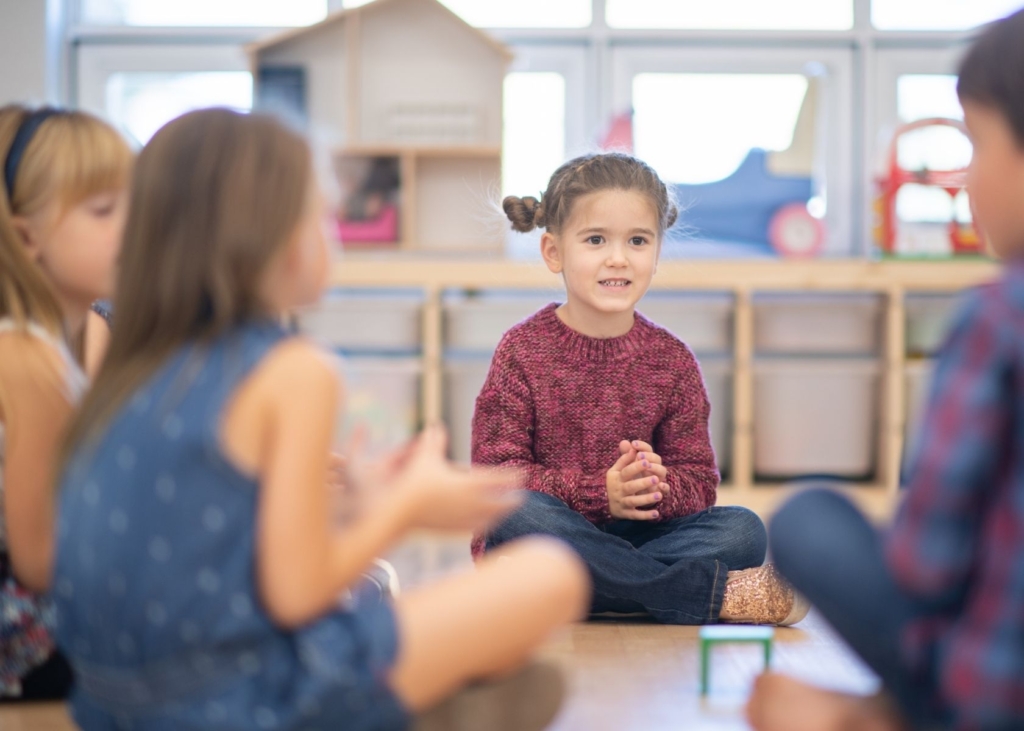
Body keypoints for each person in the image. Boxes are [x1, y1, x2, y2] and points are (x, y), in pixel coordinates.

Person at [51, 108, 588, 731]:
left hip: (108, 705)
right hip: (238, 702)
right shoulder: (294, 369)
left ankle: (435, 704)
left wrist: (354, 504)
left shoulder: (128, 361)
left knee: (405, 608)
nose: (332, 237)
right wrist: (404, 508)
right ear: (270, 239)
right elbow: (296, 591)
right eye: (324, 218)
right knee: (549, 574)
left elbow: (197, 541)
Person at [747, 9, 1024, 730]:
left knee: (807, 518)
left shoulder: (998, 316)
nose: (967, 173)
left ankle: (882, 716)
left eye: (979, 143)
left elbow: (926, 563)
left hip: (989, 694)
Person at [476, 152, 807, 626]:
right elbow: (495, 478)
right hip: (548, 530)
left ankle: (579, 589)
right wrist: (598, 493)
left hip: (639, 538)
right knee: (513, 509)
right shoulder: (520, 350)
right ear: (554, 251)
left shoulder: (672, 361)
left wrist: (657, 485)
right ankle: (701, 595)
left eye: (637, 240)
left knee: (742, 531)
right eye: (595, 240)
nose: (618, 258)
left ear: (657, 250)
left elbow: (699, 483)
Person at [0, 105, 132, 701]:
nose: (133, 227)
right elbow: (41, 562)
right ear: (26, 238)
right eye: (105, 211)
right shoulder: (32, 364)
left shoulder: (56, 350)